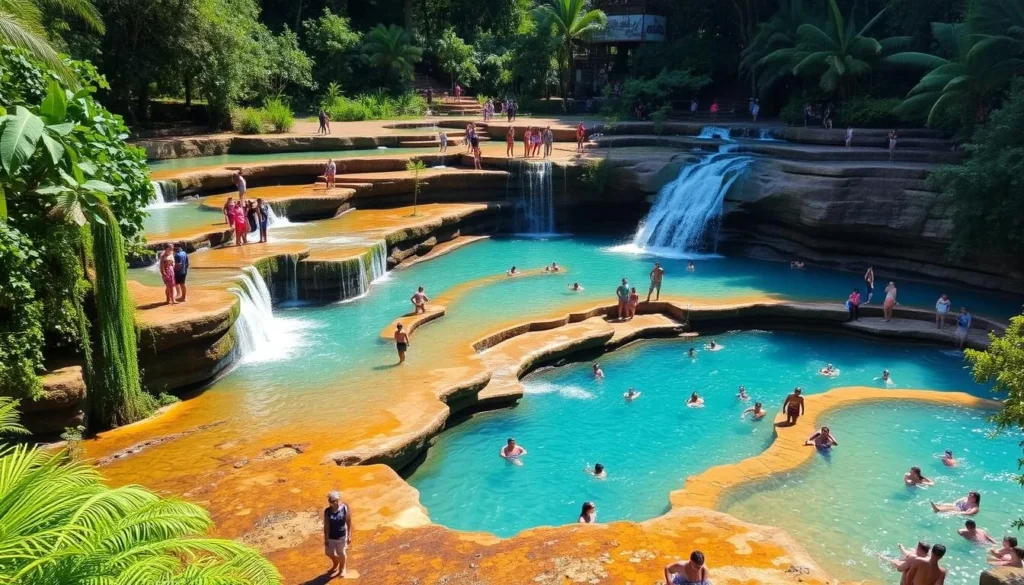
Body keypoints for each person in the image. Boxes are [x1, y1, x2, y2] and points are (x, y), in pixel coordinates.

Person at [322, 490, 352, 579]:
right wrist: (326, 538)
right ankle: (336, 563)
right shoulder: (327, 511)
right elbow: (326, 525)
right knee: (328, 552)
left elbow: (348, 521)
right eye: (330, 501)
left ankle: (342, 568)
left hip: (341, 536)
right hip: (331, 536)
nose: (331, 503)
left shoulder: (344, 508)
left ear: (337, 501)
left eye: (332, 501)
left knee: (341, 553)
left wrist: (349, 535)